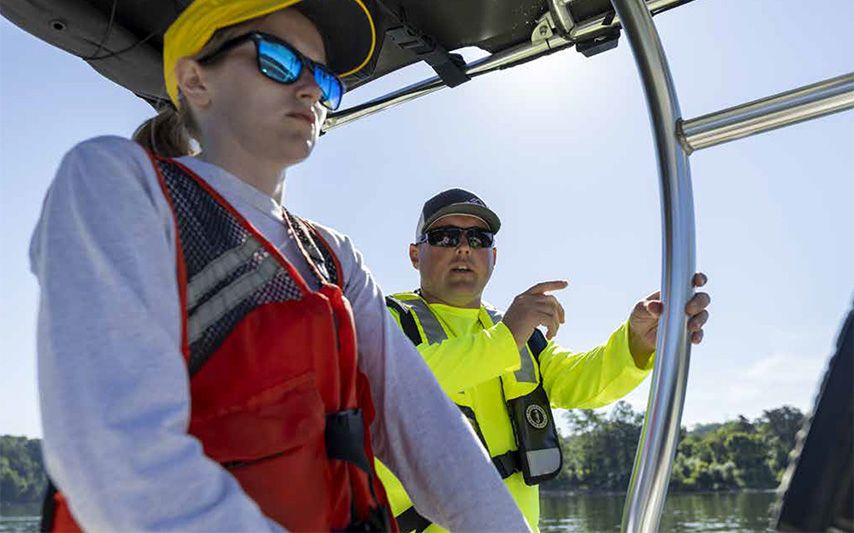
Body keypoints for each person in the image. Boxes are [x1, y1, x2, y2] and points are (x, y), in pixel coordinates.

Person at [29, 3, 529, 531]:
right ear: (195, 81)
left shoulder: (334, 256)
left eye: (324, 79)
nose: (311, 90)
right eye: (280, 60)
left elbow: (427, 430)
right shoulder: (117, 182)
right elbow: (118, 456)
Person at [375, 188, 711, 532]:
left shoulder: (516, 334)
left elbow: (582, 381)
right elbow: (400, 381)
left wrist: (637, 341)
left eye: (478, 238)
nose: (463, 248)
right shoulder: (382, 320)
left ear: (494, 256)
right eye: (445, 237)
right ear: (415, 255)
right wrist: (507, 337)